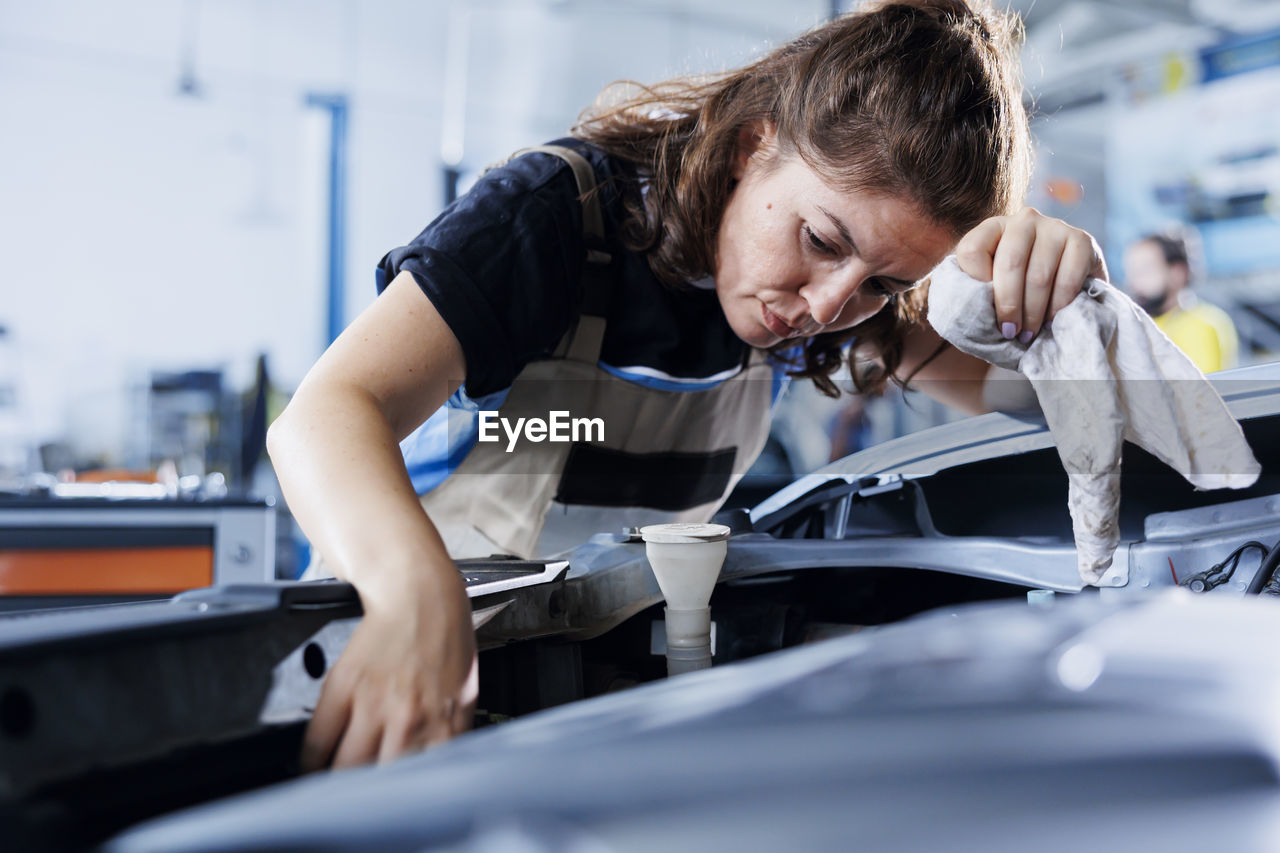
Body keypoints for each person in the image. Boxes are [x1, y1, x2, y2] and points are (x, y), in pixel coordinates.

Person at [266, 0, 1106, 771]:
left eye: (882, 288)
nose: (826, 306)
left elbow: (1030, 407)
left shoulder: (843, 292)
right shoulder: (552, 220)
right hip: (390, 668)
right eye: (818, 238)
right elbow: (324, 416)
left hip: (590, 707)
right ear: (753, 146)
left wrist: (1067, 315)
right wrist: (417, 594)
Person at [1123, 230, 1238, 373]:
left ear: (1178, 273)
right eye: (1132, 272)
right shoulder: (1136, 326)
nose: (1134, 283)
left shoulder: (1203, 324)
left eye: (1145, 271)